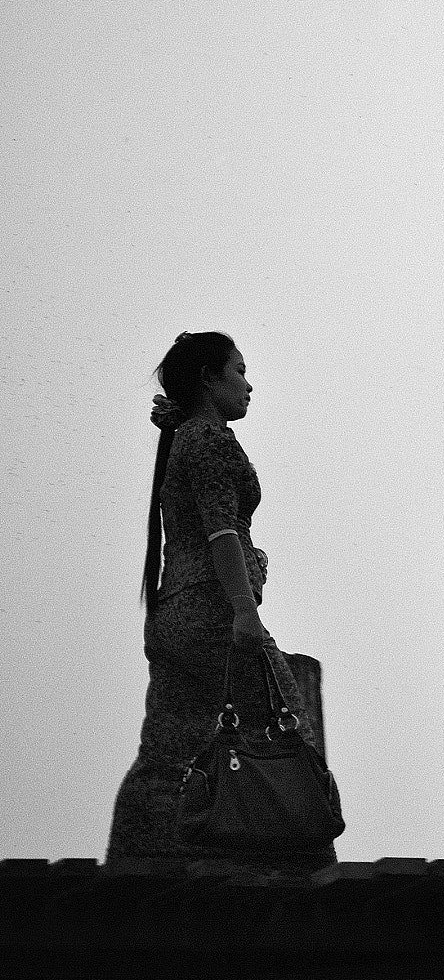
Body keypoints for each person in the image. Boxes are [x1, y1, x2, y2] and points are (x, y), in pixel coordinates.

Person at [106, 331, 334, 866]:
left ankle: (138, 867)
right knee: (285, 724)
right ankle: (298, 862)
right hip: (212, 610)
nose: (248, 385)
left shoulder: (185, 435)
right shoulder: (208, 439)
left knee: (166, 752)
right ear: (210, 379)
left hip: (173, 614)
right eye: (239, 371)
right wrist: (245, 612)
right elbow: (221, 534)